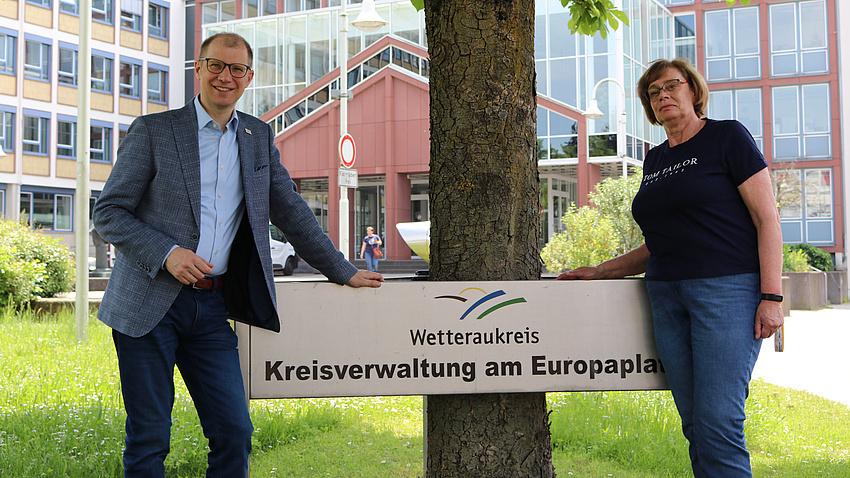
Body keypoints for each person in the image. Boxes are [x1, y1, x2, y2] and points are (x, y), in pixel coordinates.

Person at [92, 32, 383, 477]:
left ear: (248, 78)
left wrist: (343, 270)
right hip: (146, 305)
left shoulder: (256, 136)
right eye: (216, 65)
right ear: (198, 68)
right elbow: (109, 212)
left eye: (237, 69)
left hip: (210, 308)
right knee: (149, 435)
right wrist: (167, 253)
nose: (225, 77)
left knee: (234, 431)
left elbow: (291, 210)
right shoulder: (154, 131)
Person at [557, 58, 783, 477]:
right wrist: (602, 270)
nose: (662, 96)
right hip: (666, 295)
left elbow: (767, 218)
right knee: (696, 423)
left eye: (671, 86)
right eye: (653, 92)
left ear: (693, 92)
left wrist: (771, 295)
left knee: (719, 421)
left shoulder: (727, 137)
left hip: (726, 291)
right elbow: (658, 243)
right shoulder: (655, 159)